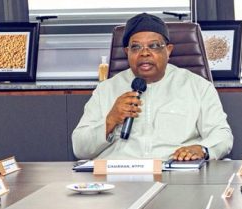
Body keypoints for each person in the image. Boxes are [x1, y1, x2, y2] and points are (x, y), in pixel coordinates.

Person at [72, 13, 233, 161]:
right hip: (118, 175)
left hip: (174, 174)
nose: (145, 53)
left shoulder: (198, 87)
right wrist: (110, 120)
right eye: (136, 47)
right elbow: (79, 148)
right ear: (127, 52)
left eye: (154, 46)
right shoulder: (106, 90)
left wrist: (202, 149)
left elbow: (222, 136)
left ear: (168, 50)